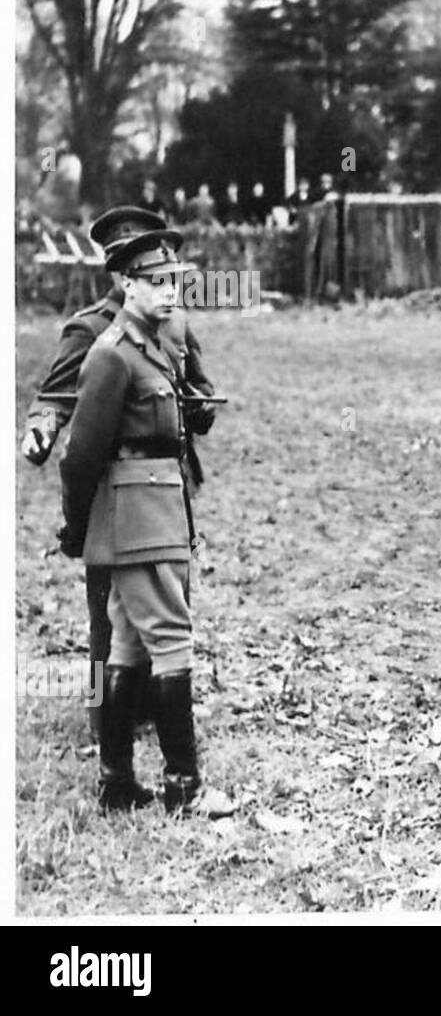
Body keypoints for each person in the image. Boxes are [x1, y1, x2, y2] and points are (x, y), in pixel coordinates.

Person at [22, 208, 218, 744]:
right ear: (120, 270)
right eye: (135, 256)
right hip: (113, 486)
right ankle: (101, 713)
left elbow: (195, 386)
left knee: (165, 600)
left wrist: (201, 407)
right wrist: (40, 429)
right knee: (105, 612)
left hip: (167, 482)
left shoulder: (174, 321)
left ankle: (151, 706)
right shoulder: (90, 329)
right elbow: (54, 396)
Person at [58, 218, 232, 817]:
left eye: (173, 280)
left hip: (155, 508)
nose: (168, 291)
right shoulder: (111, 356)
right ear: (125, 286)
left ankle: (116, 782)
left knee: (130, 645)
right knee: (173, 642)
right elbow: (82, 456)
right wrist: (77, 528)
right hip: (136, 518)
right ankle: (186, 787)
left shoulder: (158, 344)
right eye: (154, 281)